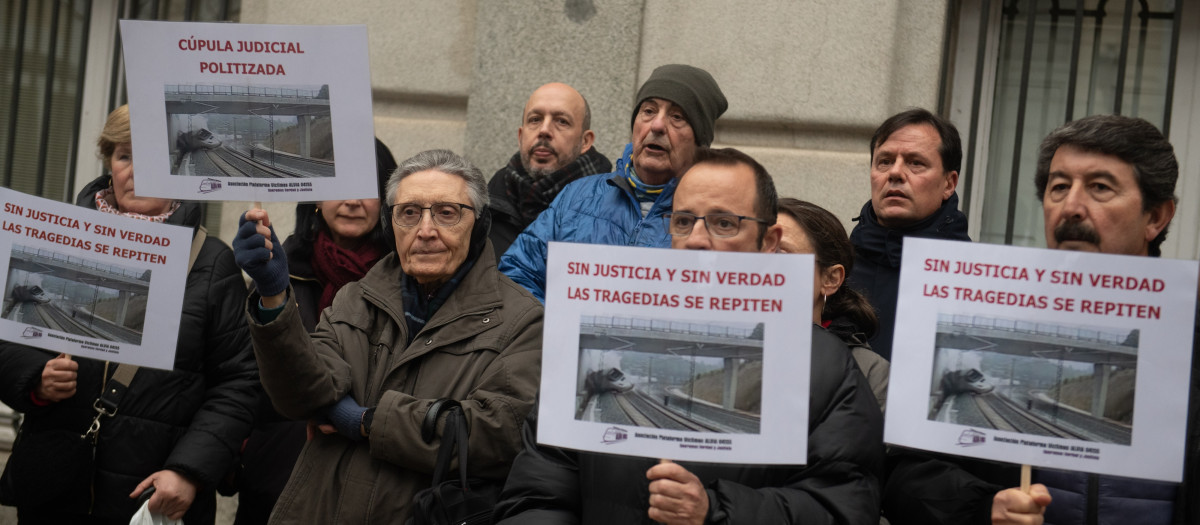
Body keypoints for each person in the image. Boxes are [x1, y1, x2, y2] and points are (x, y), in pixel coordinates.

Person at [494, 148, 884, 524]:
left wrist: (716, 511)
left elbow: (841, 508)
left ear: (768, 243)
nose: (696, 238)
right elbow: (537, 494)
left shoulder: (826, 366)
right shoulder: (586, 339)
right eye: (683, 221)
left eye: (723, 223)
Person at [883, 115, 1196, 525]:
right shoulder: (968, 300)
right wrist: (982, 507)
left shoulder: (1188, 334)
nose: (1071, 207)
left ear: (1156, 217)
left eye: (1100, 188)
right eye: (1059, 187)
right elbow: (904, 476)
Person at [232, 149, 543, 523]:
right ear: (391, 223)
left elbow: (497, 434)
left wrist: (365, 421)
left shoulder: (522, 320)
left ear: (478, 224)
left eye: (447, 212)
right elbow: (303, 395)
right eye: (409, 213)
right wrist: (274, 297)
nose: (426, 230)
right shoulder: (356, 298)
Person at [0, 104, 260, 524]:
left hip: (152, 498)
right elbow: (8, 335)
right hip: (55, 489)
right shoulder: (55, 239)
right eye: (124, 156)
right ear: (109, 163)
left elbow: (240, 383)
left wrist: (188, 470)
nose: (136, 171)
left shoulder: (211, 263)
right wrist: (36, 379)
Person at [232, 139, 398, 524]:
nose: (352, 201)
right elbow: (243, 375)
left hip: (372, 481)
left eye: (367, 189)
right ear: (314, 197)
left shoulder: (407, 281)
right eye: (337, 185)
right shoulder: (274, 270)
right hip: (278, 475)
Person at [500, 64, 728, 301]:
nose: (657, 125)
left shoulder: (720, 218)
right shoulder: (577, 196)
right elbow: (517, 275)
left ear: (700, 143)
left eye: (677, 117)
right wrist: (556, 327)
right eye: (648, 111)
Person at [845, 108, 970, 361]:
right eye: (885, 161)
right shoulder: (836, 268)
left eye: (916, 163)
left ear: (949, 184)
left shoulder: (971, 277)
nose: (895, 173)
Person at [777, 198, 889, 411]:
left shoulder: (869, 372)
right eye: (755, 252)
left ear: (830, 279)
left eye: (780, 254)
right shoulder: (734, 351)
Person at [489, 82, 613, 257]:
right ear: (520, 136)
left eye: (562, 121)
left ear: (585, 141)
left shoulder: (613, 206)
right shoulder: (489, 202)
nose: (544, 130)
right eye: (535, 120)